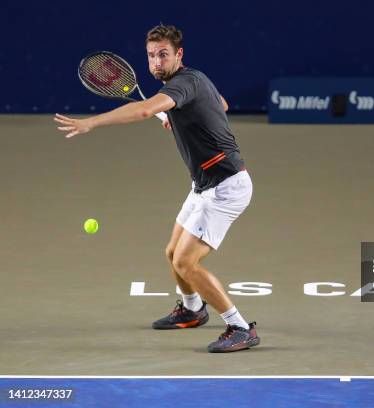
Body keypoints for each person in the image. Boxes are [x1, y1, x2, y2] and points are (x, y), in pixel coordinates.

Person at [54, 24, 259, 353]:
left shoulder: (184, 82)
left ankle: (239, 327)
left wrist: (92, 122)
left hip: (225, 186)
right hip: (203, 185)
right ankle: (192, 310)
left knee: (185, 263)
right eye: (151, 56)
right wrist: (181, 116)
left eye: (163, 54)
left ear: (179, 55)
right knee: (171, 252)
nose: (156, 62)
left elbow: (145, 108)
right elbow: (220, 105)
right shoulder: (195, 79)